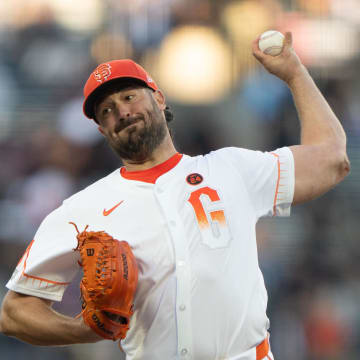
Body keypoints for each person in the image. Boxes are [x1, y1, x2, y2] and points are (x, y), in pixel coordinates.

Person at [0, 32, 350, 359]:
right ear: (101, 129)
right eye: (106, 110)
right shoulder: (81, 209)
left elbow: (331, 160)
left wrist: (295, 73)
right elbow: (14, 313)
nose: (121, 111)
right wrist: (81, 329)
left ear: (159, 98)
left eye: (129, 96)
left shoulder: (231, 169)